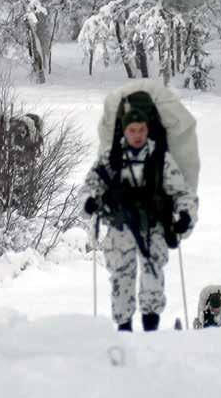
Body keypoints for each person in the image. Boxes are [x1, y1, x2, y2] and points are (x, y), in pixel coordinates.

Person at [83, 83, 198, 332]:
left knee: (153, 280)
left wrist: (185, 216)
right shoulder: (110, 159)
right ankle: (123, 332)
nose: (137, 134)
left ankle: (151, 331)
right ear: (124, 130)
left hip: (153, 228)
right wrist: (90, 202)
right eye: (132, 129)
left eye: (141, 129)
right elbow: (90, 186)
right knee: (121, 281)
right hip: (119, 230)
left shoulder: (160, 159)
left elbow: (182, 192)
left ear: (148, 130)